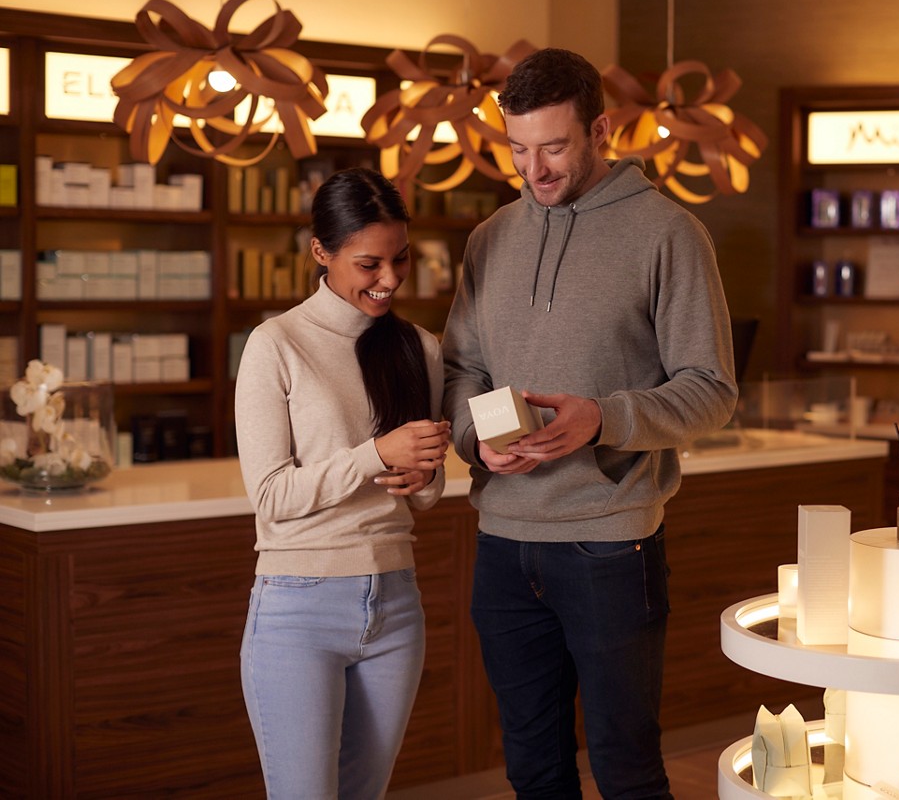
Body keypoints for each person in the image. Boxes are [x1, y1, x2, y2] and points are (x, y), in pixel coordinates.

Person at [441, 48, 738, 800]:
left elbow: (711, 391)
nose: (533, 169)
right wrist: (477, 439)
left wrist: (602, 419)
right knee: (533, 770)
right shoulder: (489, 239)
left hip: (610, 543)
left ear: (600, 129)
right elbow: (462, 371)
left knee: (625, 768)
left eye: (553, 147)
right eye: (517, 148)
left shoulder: (668, 235)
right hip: (503, 543)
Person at [234, 167, 451, 799]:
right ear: (321, 253)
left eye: (400, 260)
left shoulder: (419, 347)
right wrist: (374, 453)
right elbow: (272, 496)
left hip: (396, 604)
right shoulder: (275, 344)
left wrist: (420, 474)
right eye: (369, 264)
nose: (389, 280)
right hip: (298, 608)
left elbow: (428, 492)